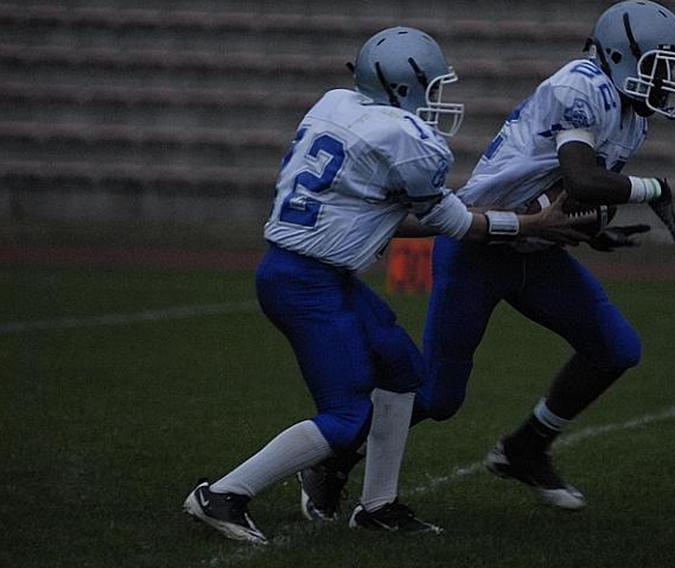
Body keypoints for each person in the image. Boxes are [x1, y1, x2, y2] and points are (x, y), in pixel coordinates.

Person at [182, 26, 593, 544]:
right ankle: (223, 494)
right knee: (346, 415)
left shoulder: (336, 104)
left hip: (314, 272)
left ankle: (378, 506)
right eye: (433, 86)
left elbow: (401, 210)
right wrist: (532, 224)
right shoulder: (405, 138)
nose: (438, 99)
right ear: (404, 87)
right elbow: (455, 224)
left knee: (403, 370)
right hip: (307, 283)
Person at [296, 0, 675, 517]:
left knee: (615, 348)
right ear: (621, 57)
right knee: (439, 396)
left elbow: (573, 193)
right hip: (480, 246)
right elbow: (581, 178)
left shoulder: (628, 111)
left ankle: (525, 448)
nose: (668, 80)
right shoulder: (582, 85)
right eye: (659, 66)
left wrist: (591, 228)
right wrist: (654, 188)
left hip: (537, 247)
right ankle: (330, 459)